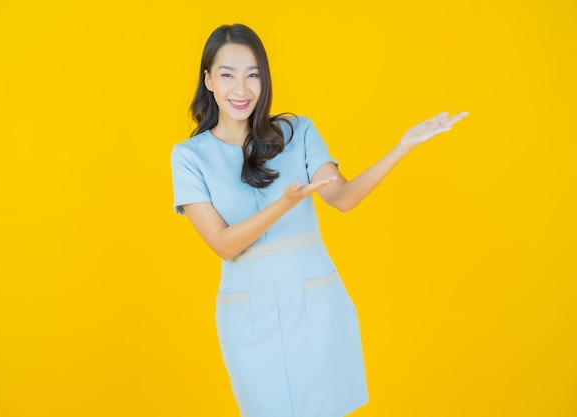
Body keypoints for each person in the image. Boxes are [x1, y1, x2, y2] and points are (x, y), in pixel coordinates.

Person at [171, 23, 467, 417]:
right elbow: (224, 245)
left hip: (317, 305)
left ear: (265, 78)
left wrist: (401, 148)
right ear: (208, 80)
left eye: (253, 74)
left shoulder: (297, 132)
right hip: (249, 316)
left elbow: (342, 198)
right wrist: (285, 203)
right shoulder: (189, 157)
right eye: (227, 75)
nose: (241, 89)